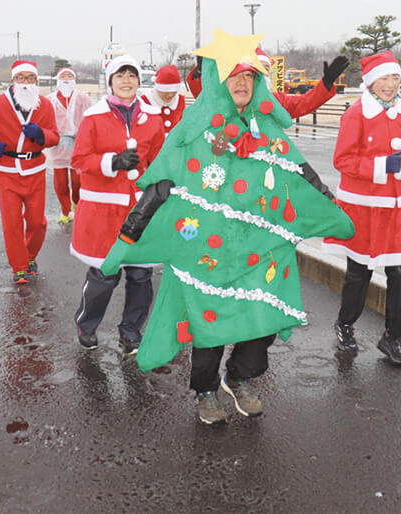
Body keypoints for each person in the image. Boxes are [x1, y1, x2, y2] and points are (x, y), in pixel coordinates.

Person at [98, 30, 352, 425]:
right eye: (234, 76)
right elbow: (159, 186)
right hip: (207, 252)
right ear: (219, 81)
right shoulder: (193, 132)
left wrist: (329, 202)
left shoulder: (265, 130)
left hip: (257, 249)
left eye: (249, 77)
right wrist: (127, 239)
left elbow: (300, 172)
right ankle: (205, 389)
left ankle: (240, 377)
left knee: (259, 320)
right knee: (209, 324)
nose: (241, 83)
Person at [322, 50, 401, 367]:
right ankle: (345, 324)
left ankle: (391, 338)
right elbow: (343, 160)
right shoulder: (356, 113)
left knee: (399, 272)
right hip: (364, 207)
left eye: (395, 77)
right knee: (359, 273)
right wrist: (382, 165)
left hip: (397, 206)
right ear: (370, 82)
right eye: (384, 78)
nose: (390, 84)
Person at [69, 54, 165, 355]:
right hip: (103, 212)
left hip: (139, 210)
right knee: (104, 276)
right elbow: (79, 160)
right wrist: (113, 161)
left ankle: (131, 332)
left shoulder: (152, 118)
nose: (126, 81)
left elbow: (161, 159)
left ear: (139, 81)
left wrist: (162, 182)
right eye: (120, 75)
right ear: (110, 82)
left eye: (132, 75)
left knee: (140, 276)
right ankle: (87, 326)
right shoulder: (93, 117)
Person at [0, 60, 60, 285]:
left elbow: (54, 135)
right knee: (11, 222)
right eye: (20, 78)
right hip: (7, 169)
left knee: (37, 222)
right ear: (13, 80)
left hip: (35, 169)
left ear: (36, 81)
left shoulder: (44, 105)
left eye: (30, 78)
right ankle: (20, 267)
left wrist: (41, 134)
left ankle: (30, 255)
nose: (25, 82)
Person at [185, 46, 348, 119]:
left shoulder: (275, 101)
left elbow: (304, 103)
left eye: (266, 69)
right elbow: (206, 96)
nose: (263, 73)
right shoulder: (229, 97)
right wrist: (202, 74)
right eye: (258, 68)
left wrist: (326, 83)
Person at [44, 66, 92, 225]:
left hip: (78, 144)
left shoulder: (84, 99)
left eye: (69, 76)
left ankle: (76, 204)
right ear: (58, 80)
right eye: (63, 76)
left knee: (77, 181)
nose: (66, 78)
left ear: (74, 80)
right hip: (57, 146)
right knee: (60, 182)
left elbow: (92, 119)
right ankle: (65, 211)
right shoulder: (49, 100)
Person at [140, 64, 186, 135]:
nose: (170, 95)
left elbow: (183, 125)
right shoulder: (145, 100)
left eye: (173, 92)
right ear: (158, 88)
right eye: (166, 91)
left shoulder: (180, 100)